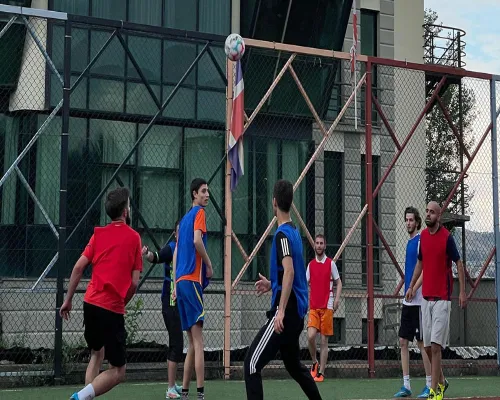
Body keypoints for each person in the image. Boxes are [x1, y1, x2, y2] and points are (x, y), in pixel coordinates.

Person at [60, 187, 142, 400]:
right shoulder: (134, 238)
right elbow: (134, 282)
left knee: (97, 353)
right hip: (111, 307)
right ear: (125, 212)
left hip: (90, 303)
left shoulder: (98, 234)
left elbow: (78, 268)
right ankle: (80, 397)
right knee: (118, 370)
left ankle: (85, 396)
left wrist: (68, 300)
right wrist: (122, 302)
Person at [244, 179, 322, 400]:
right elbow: (290, 271)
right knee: (294, 365)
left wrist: (279, 311)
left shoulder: (282, 236)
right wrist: (272, 284)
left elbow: (289, 272)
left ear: (274, 202)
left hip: (286, 313)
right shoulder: (294, 231)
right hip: (295, 312)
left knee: (251, 364)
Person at [406, 201, 467, 400]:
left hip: (442, 298)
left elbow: (458, 262)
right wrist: (412, 286)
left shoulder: (447, 238)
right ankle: (442, 381)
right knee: (427, 347)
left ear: (439, 216)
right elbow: (420, 264)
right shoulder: (423, 236)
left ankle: (434, 390)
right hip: (426, 298)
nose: (429, 214)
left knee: (436, 346)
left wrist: (462, 291)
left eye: (432, 212)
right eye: (427, 211)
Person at [173, 178, 213, 400]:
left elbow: (178, 250)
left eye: (208, 191)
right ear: (194, 194)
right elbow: (198, 241)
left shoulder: (184, 219)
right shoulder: (199, 213)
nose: (207, 195)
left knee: (191, 341)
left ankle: (185, 391)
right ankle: (200, 393)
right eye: (204, 191)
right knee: (199, 341)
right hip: (191, 281)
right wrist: (208, 264)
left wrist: (175, 285)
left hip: (181, 282)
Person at [393, 207, 432, 398]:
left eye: (411, 220)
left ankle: (430, 383)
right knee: (403, 341)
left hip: (419, 300)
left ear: (417, 222)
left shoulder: (420, 242)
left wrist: (414, 288)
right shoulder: (409, 243)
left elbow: (424, 269)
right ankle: (406, 385)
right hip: (408, 301)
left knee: (422, 343)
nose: (408, 223)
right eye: (406, 220)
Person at [142, 220, 183, 399]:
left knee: (180, 344)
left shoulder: (189, 251)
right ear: (175, 234)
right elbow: (156, 257)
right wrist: (147, 254)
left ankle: (174, 384)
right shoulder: (172, 248)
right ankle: (170, 388)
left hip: (183, 304)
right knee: (176, 344)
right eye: (180, 231)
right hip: (170, 304)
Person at [306, 234, 342, 382]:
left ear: (325, 246)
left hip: (327, 305)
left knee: (324, 341)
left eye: (321, 243)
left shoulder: (331, 264)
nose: (319, 245)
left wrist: (337, 300)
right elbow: (304, 283)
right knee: (310, 336)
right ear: (314, 246)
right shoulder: (310, 265)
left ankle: (321, 372)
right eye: (317, 243)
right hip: (314, 306)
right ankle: (314, 362)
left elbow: (339, 283)